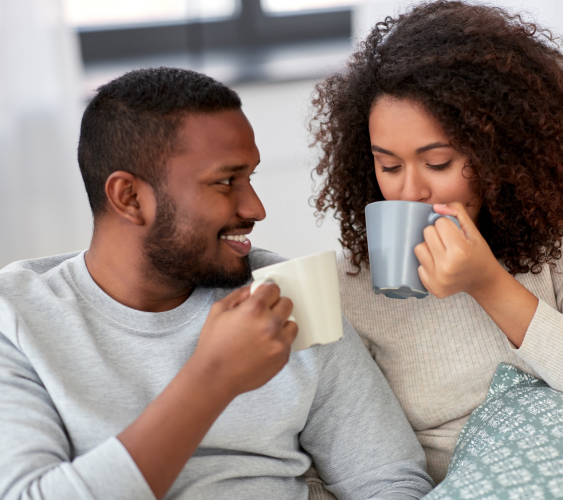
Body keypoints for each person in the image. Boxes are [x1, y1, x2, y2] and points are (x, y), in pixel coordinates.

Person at [0, 67, 434, 500]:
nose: (256, 208)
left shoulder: (284, 292)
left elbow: (389, 480)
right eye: (226, 182)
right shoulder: (17, 316)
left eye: (251, 178)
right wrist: (212, 379)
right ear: (129, 198)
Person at [311, 0, 563, 483]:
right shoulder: (354, 281)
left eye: (438, 163)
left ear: (498, 150)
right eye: (388, 166)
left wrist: (488, 284)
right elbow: (352, 457)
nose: (409, 192)